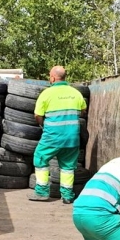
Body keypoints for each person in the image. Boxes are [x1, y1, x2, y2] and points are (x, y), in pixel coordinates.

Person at [28, 66, 87, 204]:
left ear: (53, 78)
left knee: (40, 158)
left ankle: (42, 192)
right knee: (68, 166)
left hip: (52, 136)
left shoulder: (47, 93)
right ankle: (67, 196)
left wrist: (43, 124)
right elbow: (83, 111)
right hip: (72, 137)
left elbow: (37, 115)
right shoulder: (75, 93)